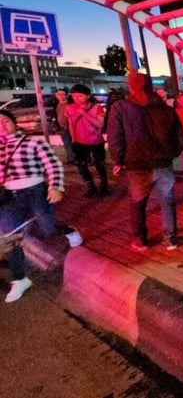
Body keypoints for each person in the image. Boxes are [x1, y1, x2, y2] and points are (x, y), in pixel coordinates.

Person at [0, 109, 82, 303]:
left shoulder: (33, 142)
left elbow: (53, 164)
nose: (1, 125)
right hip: (11, 197)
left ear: (14, 122)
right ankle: (20, 279)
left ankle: (68, 230)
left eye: (4, 120)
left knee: (48, 228)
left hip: (35, 190)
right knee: (11, 237)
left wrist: (55, 187)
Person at [108, 72, 183, 252]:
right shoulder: (166, 109)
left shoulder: (120, 107)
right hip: (163, 163)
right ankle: (171, 239)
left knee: (138, 203)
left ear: (131, 86)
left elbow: (115, 138)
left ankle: (141, 240)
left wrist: (119, 160)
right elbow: (179, 138)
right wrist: (170, 154)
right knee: (167, 201)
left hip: (137, 165)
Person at [66, 84, 108, 198]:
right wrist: (73, 140)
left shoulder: (96, 108)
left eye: (79, 96)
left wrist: (84, 113)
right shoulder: (69, 108)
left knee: (99, 165)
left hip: (96, 141)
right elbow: (71, 125)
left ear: (88, 96)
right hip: (79, 142)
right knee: (81, 166)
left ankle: (104, 186)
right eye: (74, 96)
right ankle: (90, 187)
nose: (76, 98)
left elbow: (100, 125)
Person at [54, 89, 75, 164]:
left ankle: (77, 158)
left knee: (74, 143)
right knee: (67, 144)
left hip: (71, 126)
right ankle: (70, 158)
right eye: (58, 94)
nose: (60, 96)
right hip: (62, 127)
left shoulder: (70, 104)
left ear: (66, 95)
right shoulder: (57, 105)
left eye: (62, 94)